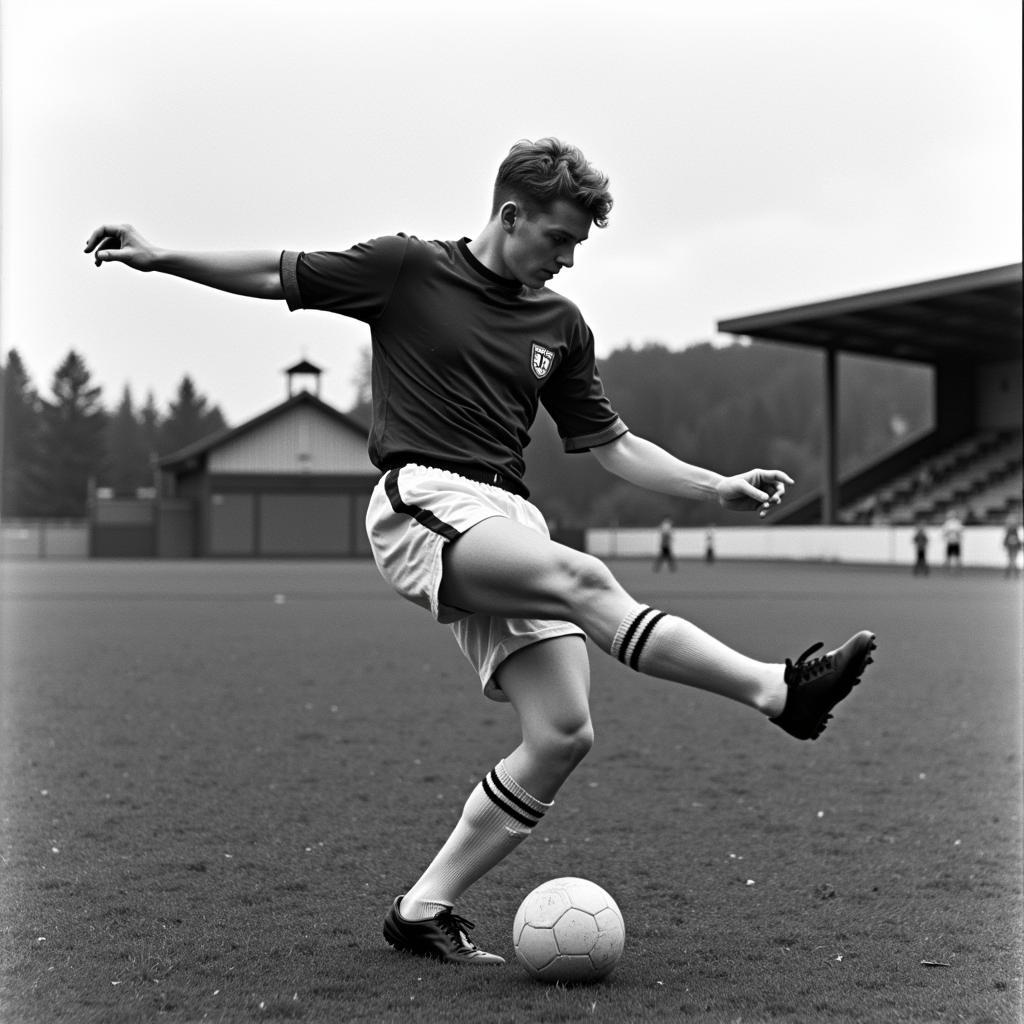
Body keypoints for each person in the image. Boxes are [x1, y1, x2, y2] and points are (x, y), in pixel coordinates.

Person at [85, 137, 877, 967]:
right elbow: (276, 272)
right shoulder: (406, 268)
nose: (569, 259)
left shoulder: (561, 325)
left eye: (578, 246)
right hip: (421, 498)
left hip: (508, 517)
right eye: (559, 240)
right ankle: (779, 692)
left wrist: (716, 486)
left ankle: (421, 911)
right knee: (584, 576)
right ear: (511, 214)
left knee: (564, 733)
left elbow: (612, 444)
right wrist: (161, 255)